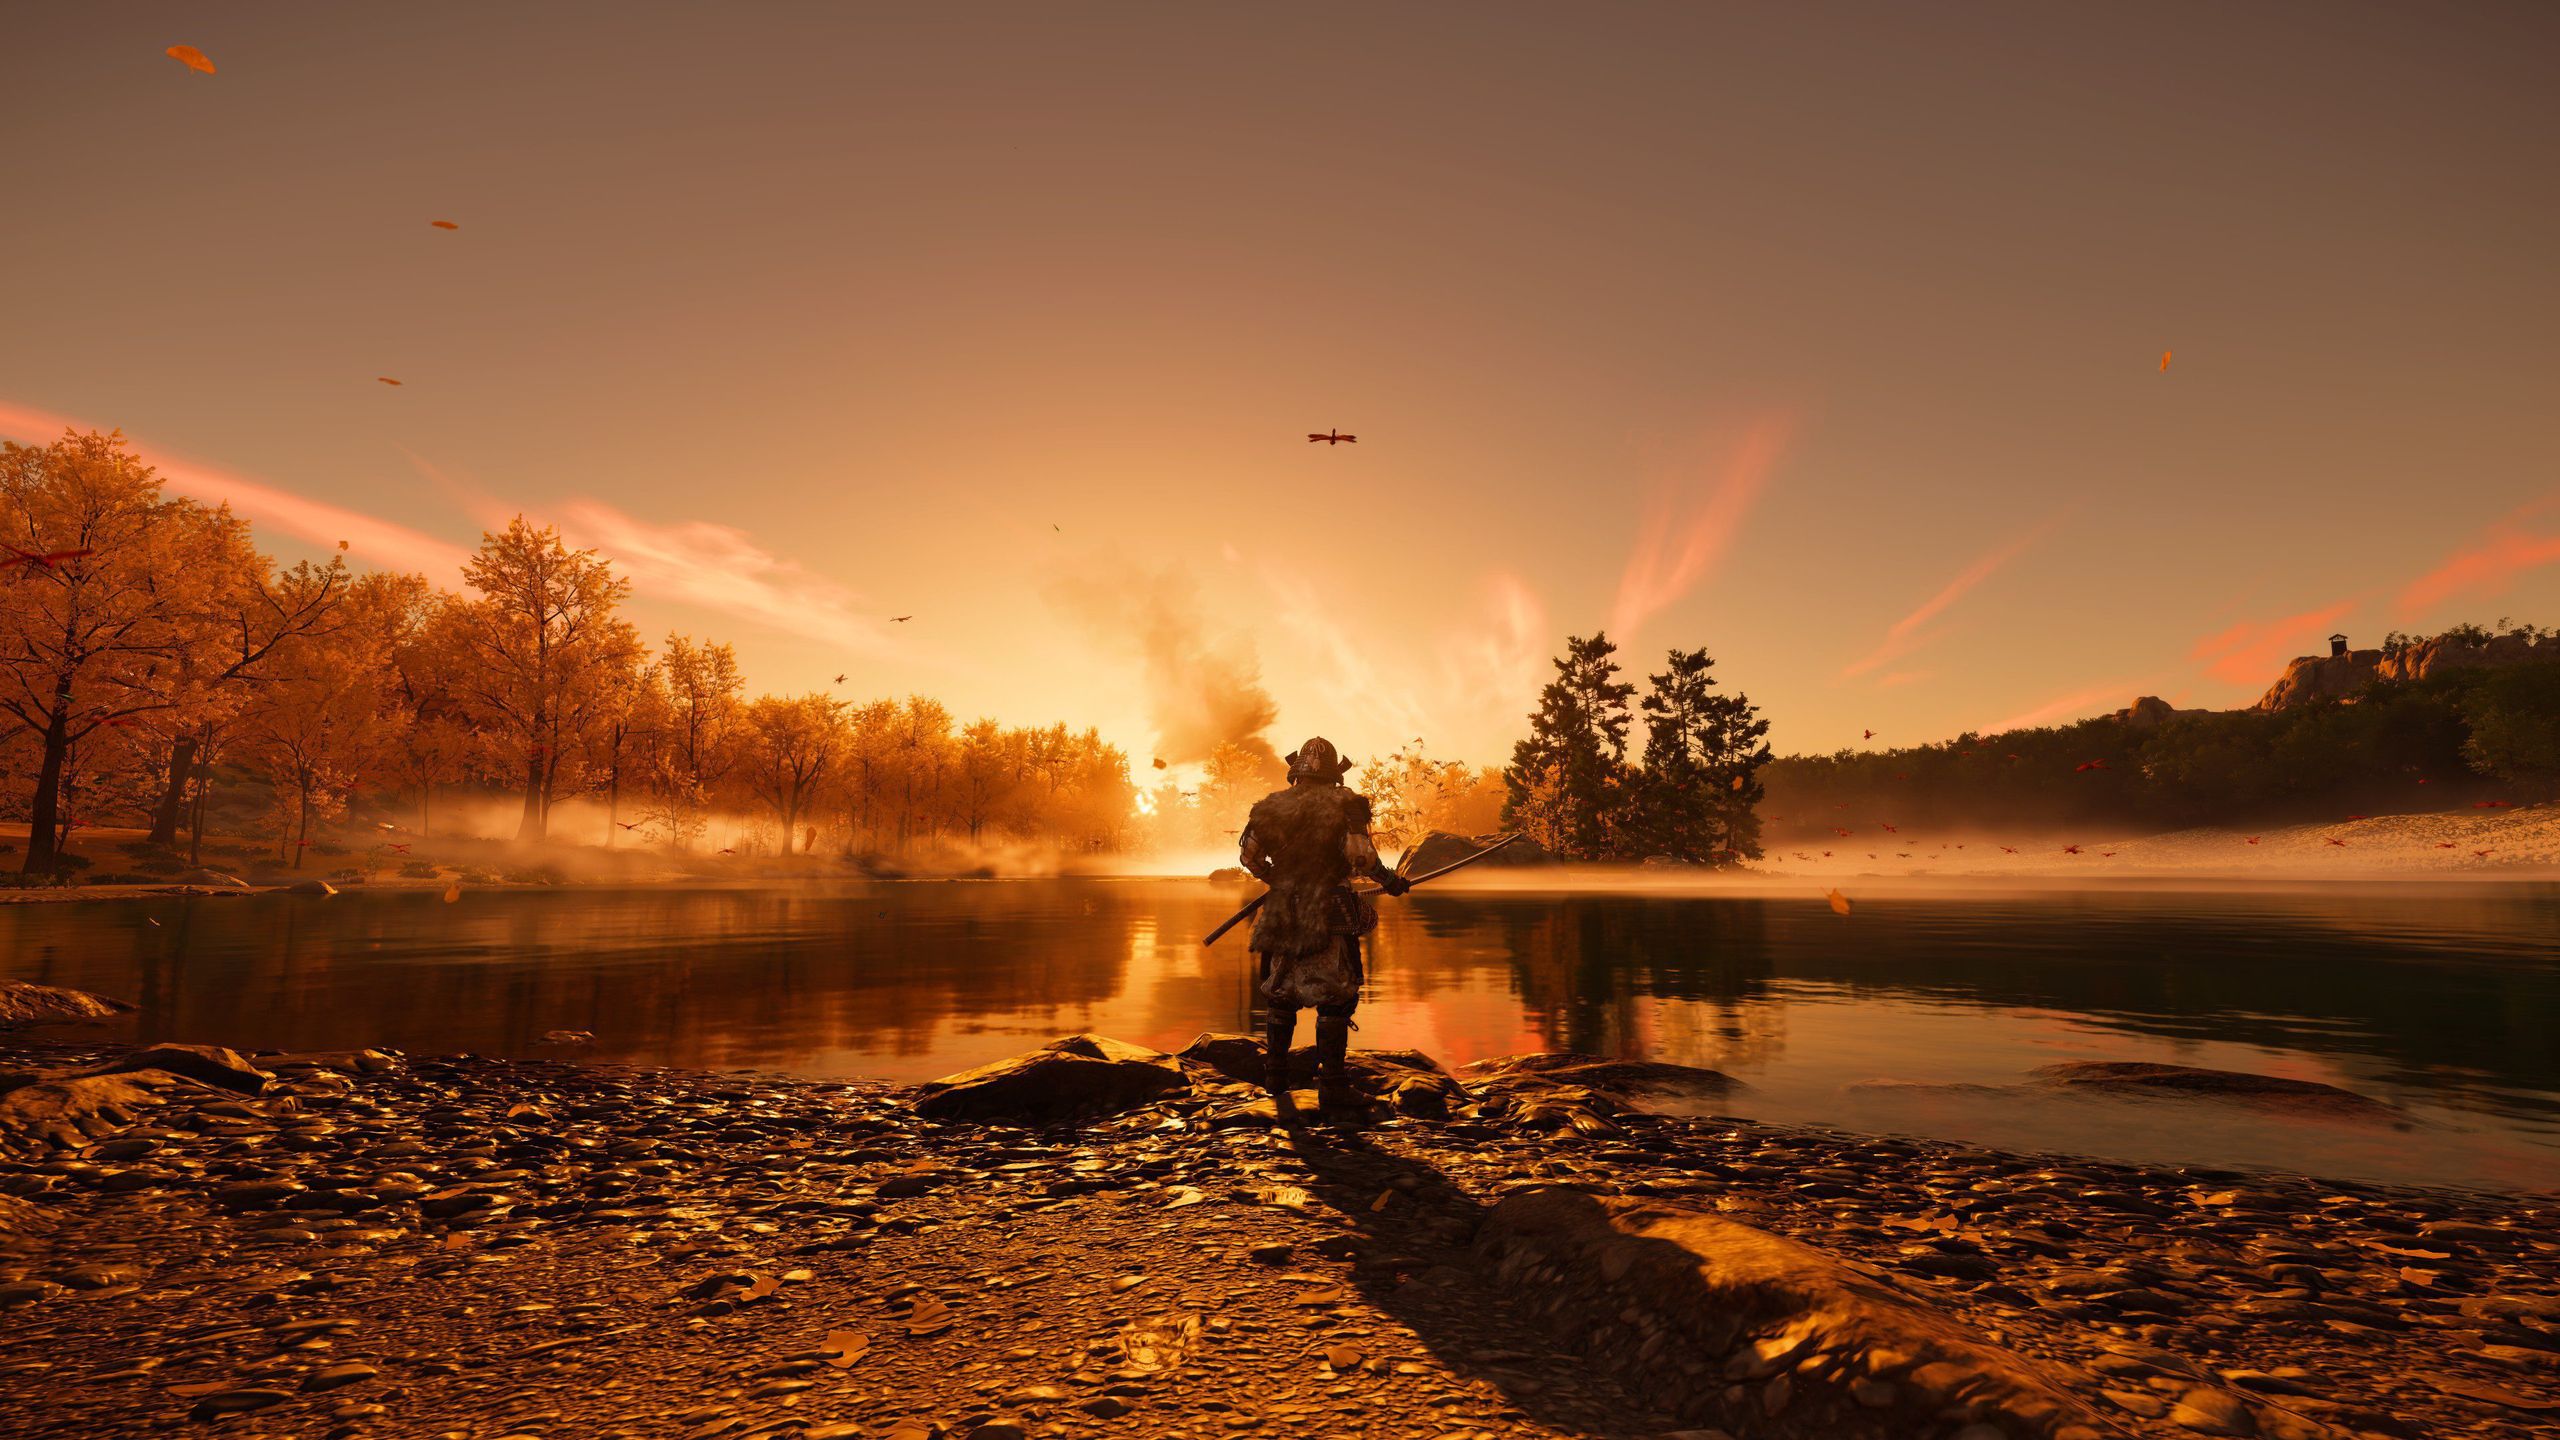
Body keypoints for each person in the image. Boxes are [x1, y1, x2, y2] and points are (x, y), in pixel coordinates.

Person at [1237, 737, 1408, 1110]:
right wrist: (1391, 882)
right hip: (1329, 910)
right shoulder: (1347, 805)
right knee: (1336, 997)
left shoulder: (1271, 808)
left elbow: (1248, 855)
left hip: (1283, 909)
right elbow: (1361, 858)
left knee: (1281, 993)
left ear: (1296, 770)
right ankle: (1331, 1086)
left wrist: (1277, 880)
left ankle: (1275, 1080)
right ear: (1335, 772)